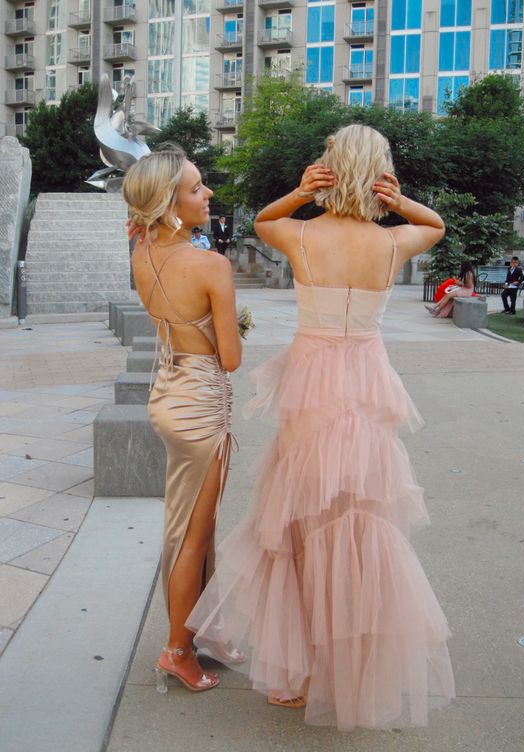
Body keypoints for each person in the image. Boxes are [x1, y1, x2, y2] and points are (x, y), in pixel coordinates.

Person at [188, 124, 455, 730]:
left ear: (327, 171)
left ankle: (301, 674)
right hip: (365, 382)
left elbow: (263, 220)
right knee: (359, 523)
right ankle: (350, 671)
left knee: (300, 526)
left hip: (311, 384)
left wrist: (301, 192)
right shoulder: (393, 242)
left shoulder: (302, 234)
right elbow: (436, 225)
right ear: (379, 175)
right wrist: (399, 201)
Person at [122, 148, 242, 695]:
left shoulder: (141, 251)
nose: (208, 193)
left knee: (196, 526)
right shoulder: (211, 266)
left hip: (167, 390)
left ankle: (204, 630)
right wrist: (230, 322)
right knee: (192, 535)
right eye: (196, 188)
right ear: (169, 204)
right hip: (199, 403)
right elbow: (231, 357)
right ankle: (176, 650)